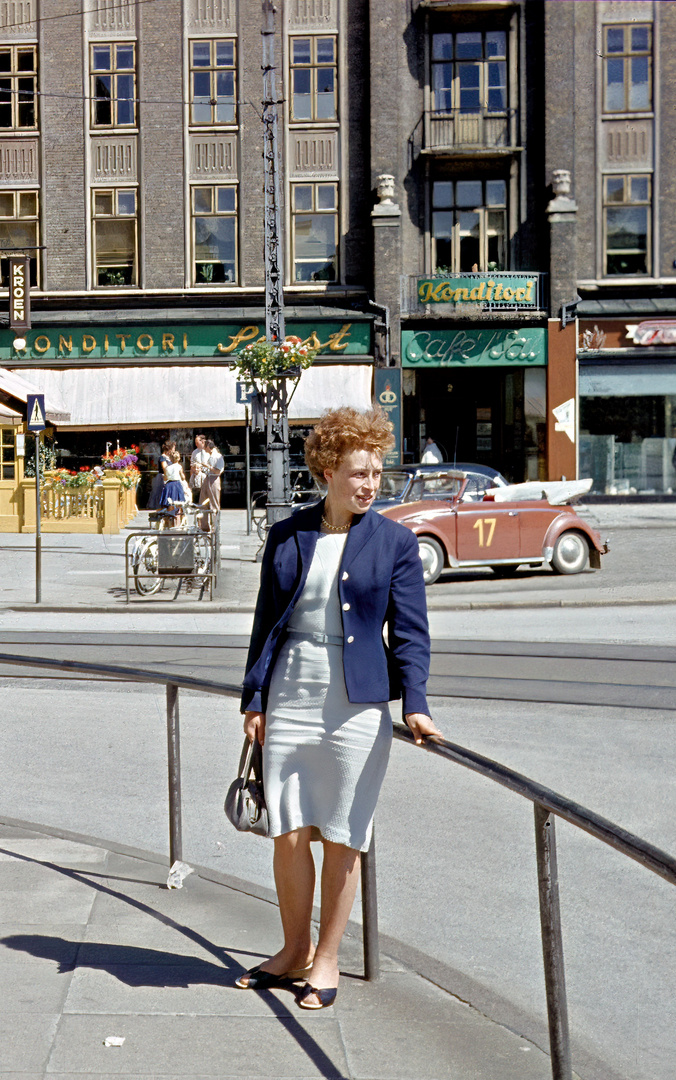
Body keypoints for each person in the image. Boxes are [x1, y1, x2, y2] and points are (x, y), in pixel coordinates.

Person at [236, 407, 442, 1010]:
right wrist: (255, 697)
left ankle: (326, 959)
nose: (370, 484)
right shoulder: (288, 534)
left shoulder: (396, 543)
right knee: (289, 832)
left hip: (356, 706)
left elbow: (410, 634)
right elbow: (265, 625)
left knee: (344, 835)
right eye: (358, 472)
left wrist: (417, 704)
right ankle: (292, 949)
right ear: (327, 470)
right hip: (292, 692)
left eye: (377, 472)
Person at [198, 437, 225, 530]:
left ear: (209, 447)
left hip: (214, 479)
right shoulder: (209, 456)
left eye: (205, 447)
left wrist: (208, 466)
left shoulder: (218, 456)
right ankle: (204, 525)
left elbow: (217, 471)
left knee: (214, 503)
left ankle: (215, 526)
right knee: (203, 502)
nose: (204, 450)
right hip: (208, 478)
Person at [160, 448, 189, 527]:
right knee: (178, 502)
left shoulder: (168, 468)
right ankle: (178, 521)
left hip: (169, 485)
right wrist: (182, 477)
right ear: (178, 458)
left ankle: (169, 522)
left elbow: (165, 477)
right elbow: (182, 477)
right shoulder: (179, 466)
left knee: (169, 503)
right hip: (177, 484)